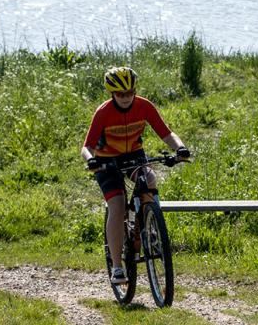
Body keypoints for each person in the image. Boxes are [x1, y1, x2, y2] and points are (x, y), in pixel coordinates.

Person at [81, 66, 191, 284]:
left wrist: (180, 148)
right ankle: (117, 267)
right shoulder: (103, 112)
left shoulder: (144, 106)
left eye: (130, 92)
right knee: (117, 205)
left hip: (133, 155)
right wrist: (90, 160)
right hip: (106, 161)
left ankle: (150, 225)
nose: (126, 97)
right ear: (111, 93)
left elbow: (166, 133)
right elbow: (87, 147)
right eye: (120, 94)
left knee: (149, 178)